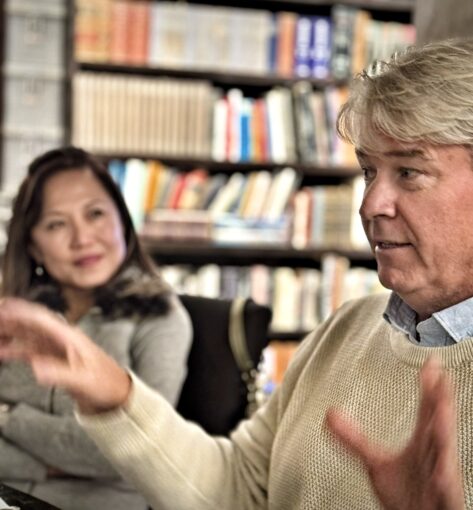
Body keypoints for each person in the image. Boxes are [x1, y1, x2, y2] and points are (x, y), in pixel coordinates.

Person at [0, 37, 470, 509]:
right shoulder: (346, 328)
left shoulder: (155, 315)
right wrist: (114, 396)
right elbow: (240, 491)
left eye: (409, 172)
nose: (370, 205)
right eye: (369, 172)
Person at [0, 147, 192, 510]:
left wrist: (8, 415)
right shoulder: (17, 315)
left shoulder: (161, 317)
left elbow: (125, 453)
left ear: (122, 220)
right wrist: (55, 461)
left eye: (96, 214)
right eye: (56, 224)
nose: (82, 238)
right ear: (33, 247)